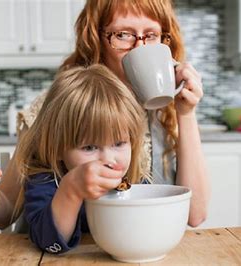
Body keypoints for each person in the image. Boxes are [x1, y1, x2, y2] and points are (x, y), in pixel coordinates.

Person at [0, 0, 210, 231]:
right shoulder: (57, 107)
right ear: (96, 37)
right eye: (123, 34)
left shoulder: (168, 110)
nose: (139, 49)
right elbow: (7, 212)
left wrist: (186, 114)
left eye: (151, 35)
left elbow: (194, 215)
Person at [17, 64, 147, 253]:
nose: (108, 159)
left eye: (119, 143)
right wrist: (71, 190)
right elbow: (48, 243)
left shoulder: (136, 182)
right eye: (90, 147)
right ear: (58, 148)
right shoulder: (45, 181)